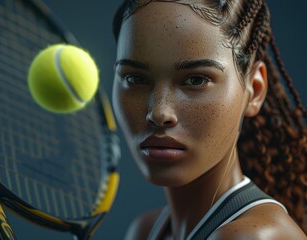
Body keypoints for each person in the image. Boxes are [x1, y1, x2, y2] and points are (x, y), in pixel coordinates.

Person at [111, 0, 307, 239]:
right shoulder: (144, 231)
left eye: (196, 80)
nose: (159, 113)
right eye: (135, 79)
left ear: (254, 91)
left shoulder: (252, 237)